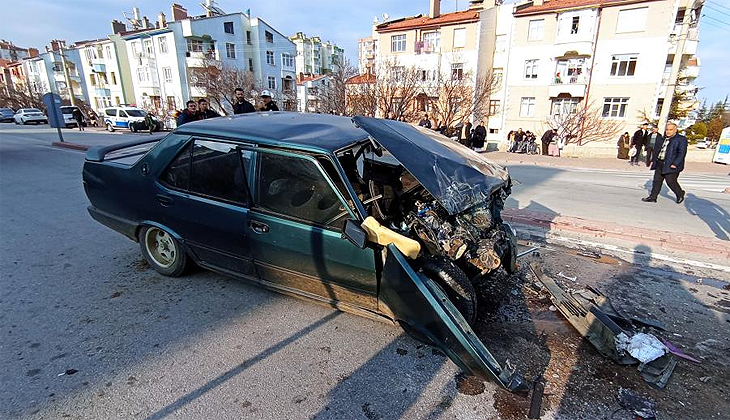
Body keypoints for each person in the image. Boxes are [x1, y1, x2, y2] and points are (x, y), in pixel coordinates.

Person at [642, 122, 687, 204]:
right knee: (656, 181)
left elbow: (681, 153)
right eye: (667, 129)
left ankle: (680, 193)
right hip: (660, 163)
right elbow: (657, 150)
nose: (668, 131)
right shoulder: (662, 138)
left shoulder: (681, 139)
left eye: (670, 130)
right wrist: (654, 160)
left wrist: (675, 163)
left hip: (671, 164)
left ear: (675, 130)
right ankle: (653, 197)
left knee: (671, 181)